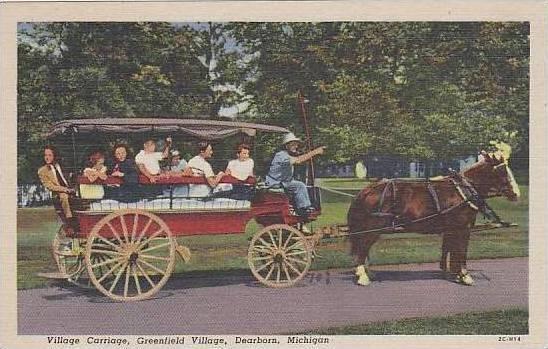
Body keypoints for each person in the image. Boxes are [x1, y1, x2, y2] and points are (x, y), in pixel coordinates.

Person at [266, 133, 325, 216]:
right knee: (299, 185)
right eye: (293, 145)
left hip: (283, 182)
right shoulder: (281, 155)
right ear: (286, 146)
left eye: (296, 145)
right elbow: (298, 160)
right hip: (276, 183)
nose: (296, 147)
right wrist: (315, 152)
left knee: (306, 187)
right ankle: (304, 209)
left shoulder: (285, 155)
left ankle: (299, 208)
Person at [37, 145, 78, 233]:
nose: (47, 157)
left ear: (55, 156)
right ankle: (69, 221)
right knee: (64, 196)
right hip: (59, 193)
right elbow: (50, 186)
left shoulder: (62, 166)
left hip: (71, 189)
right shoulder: (42, 171)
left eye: (49, 155)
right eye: (45, 155)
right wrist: (65, 190)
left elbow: (71, 178)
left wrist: (73, 187)